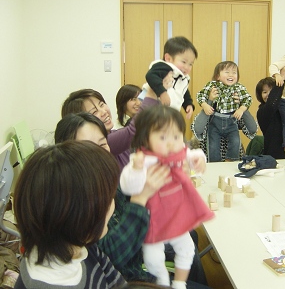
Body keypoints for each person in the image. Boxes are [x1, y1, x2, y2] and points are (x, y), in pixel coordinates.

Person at [54, 112, 209, 288]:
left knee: (189, 236)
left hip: (136, 249)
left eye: (102, 144)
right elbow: (112, 256)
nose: (99, 152)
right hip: (130, 278)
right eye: (88, 146)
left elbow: (132, 197)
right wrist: (141, 198)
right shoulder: (77, 200)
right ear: (68, 152)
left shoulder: (105, 178)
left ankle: (189, 281)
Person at [120, 105, 215, 289]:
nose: (171, 143)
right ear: (145, 138)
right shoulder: (142, 159)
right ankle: (162, 282)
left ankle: (179, 283)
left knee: (187, 249)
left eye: (176, 136)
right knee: (153, 259)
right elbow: (128, 186)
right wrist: (137, 170)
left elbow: (192, 154)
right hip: (152, 220)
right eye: (163, 137)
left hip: (176, 214)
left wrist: (198, 158)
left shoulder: (179, 152)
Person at [13, 141, 126, 288]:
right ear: (79, 214)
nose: (113, 204)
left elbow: (116, 281)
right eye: (108, 198)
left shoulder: (77, 244)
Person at [195, 61, 254, 162]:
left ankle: (230, 160)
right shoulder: (212, 85)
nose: (231, 75)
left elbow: (248, 99)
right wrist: (206, 104)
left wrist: (241, 108)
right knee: (213, 144)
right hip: (215, 121)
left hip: (231, 121)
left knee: (235, 141)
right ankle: (215, 163)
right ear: (218, 76)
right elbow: (200, 95)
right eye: (227, 72)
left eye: (234, 72)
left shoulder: (239, 87)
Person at [142, 36, 197, 119]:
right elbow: (151, 76)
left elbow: (183, 91)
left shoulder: (182, 77)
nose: (187, 67)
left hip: (166, 112)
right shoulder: (164, 67)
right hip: (151, 108)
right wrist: (162, 93)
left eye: (190, 64)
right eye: (184, 62)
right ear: (168, 58)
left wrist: (188, 104)